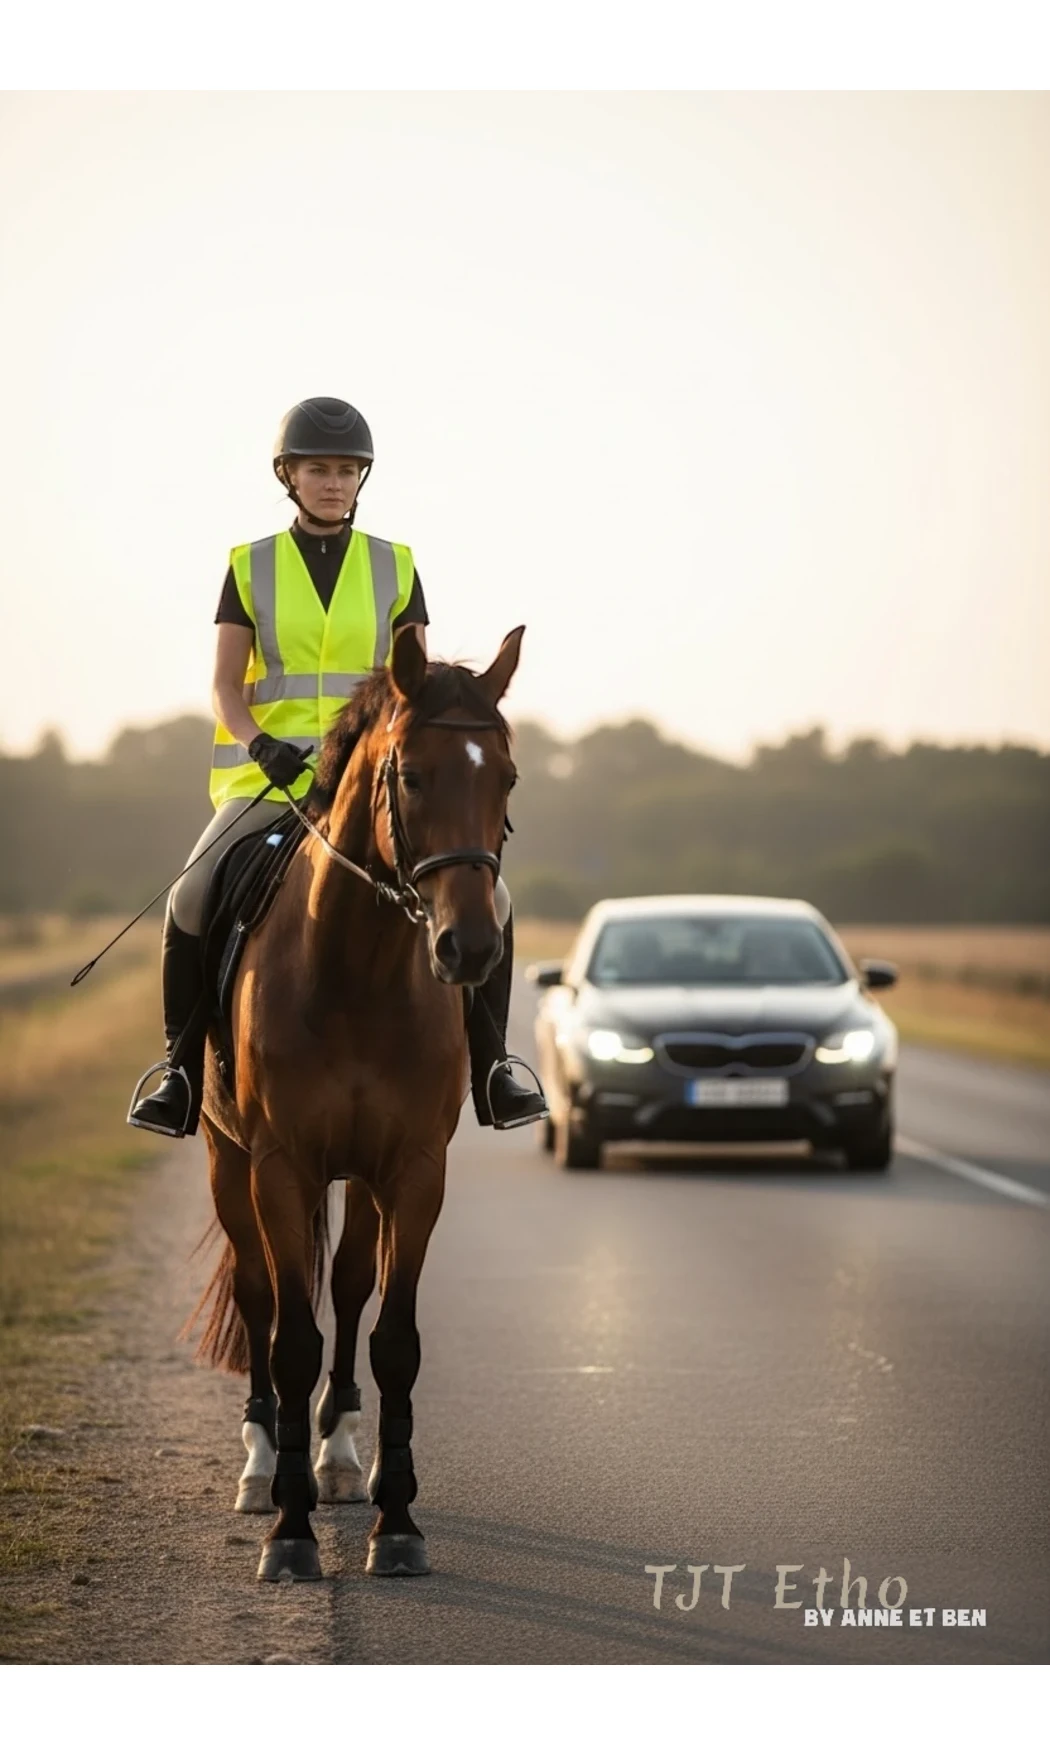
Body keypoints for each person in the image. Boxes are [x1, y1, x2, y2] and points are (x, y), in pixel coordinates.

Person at [127, 396, 549, 1139]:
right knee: (190, 896)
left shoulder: (396, 564)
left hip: (373, 779)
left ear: (363, 479)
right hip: (271, 780)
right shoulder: (249, 565)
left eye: (347, 470)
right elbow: (227, 683)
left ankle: (493, 1067)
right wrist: (259, 742)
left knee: (498, 900)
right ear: (288, 476)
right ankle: (180, 1072)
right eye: (318, 468)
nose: (333, 482)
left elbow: (415, 681)